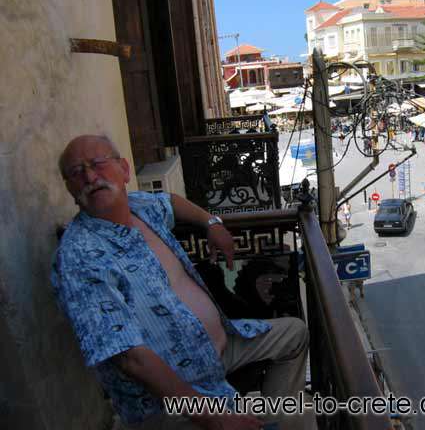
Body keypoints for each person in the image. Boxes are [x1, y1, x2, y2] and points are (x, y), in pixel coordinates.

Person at [51, 135, 308, 430]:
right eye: (76, 172)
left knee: (294, 335)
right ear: (70, 188)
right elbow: (130, 359)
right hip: (168, 398)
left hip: (218, 346)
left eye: (97, 164)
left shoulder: (139, 207)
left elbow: (171, 202)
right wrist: (213, 417)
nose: (90, 177)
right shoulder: (79, 257)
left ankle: (272, 422)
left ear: (124, 169)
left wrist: (211, 223)